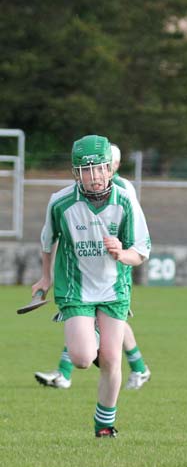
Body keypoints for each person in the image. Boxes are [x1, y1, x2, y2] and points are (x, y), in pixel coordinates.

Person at [32, 134, 151, 437]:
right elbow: (48, 242)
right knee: (83, 358)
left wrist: (120, 252)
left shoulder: (125, 199)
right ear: (76, 173)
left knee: (111, 359)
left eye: (100, 169)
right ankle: (93, 333)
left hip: (114, 290)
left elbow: (141, 251)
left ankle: (104, 426)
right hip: (75, 289)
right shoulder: (60, 202)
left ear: (111, 169)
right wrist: (45, 277)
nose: (94, 177)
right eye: (87, 171)